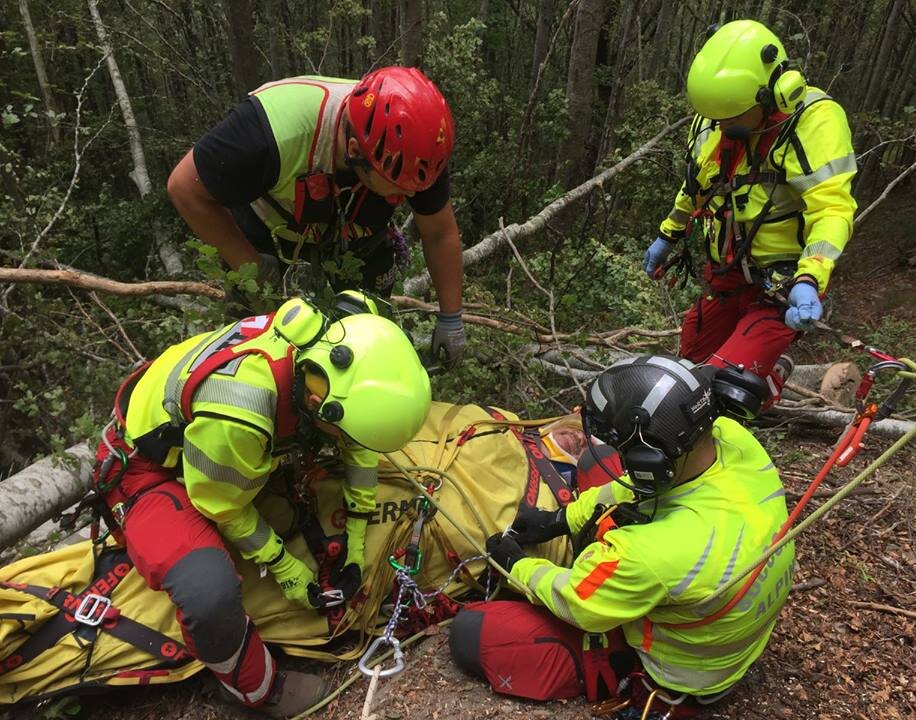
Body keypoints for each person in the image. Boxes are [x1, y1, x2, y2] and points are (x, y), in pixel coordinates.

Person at [89, 295, 431, 717]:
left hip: (204, 431)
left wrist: (357, 533)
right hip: (148, 467)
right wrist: (282, 565)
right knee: (207, 593)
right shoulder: (240, 411)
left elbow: (355, 443)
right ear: (313, 401)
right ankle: (255, 689)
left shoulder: (348, 336)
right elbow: (222, 504)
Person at [450, 355, 795, 717]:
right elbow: (633, 486)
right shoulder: (732, 441)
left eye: (631, 454)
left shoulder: (652, 554)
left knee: (472, 634)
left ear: (651, 463)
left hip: (681, 673)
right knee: (593, 467)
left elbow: (576, 601)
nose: (626, 462)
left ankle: (617, 668)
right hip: (724, 630)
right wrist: (561, 519)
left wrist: (517, 565)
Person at [167, 66, 467, 364]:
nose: (405, 200)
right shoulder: (268, 132)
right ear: (354, 150)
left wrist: (452, 318)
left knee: (366, 348)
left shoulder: (418, 152)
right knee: (263, 356)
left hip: (354, 232)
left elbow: (439, 232)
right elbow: (184, 188)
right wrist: (250, 265)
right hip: (268, 225)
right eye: (396, 192)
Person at [644, 19, 857, 405]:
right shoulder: (715, 116)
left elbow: (832, 208)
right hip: (726, 277)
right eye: (716, 117)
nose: (722, 125)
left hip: (780, 286)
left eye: (731, 117)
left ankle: (767, 381)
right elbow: (698, 186)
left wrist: (810, 278)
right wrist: (668, 233)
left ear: (773, 94)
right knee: (688, 364)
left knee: (724, 390)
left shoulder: (812, 123)